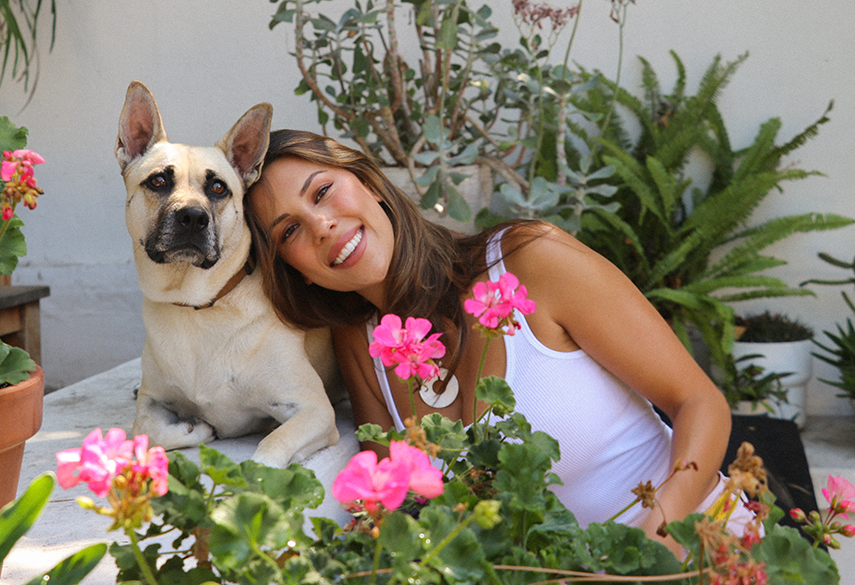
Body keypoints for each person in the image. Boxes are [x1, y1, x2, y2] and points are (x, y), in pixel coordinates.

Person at [243, 129, 746, 550]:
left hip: (701, 545)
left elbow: (699, 402)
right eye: (289, 232)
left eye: (322, 192)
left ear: (372, 183)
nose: (322, 225)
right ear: (296, 271)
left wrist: (662, 535)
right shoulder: (363, 343)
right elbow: (395, 506)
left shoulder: (530, 260)